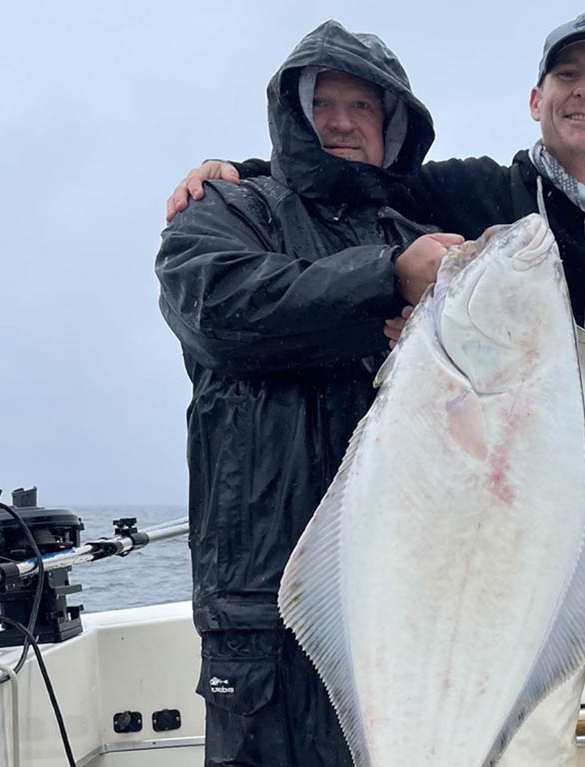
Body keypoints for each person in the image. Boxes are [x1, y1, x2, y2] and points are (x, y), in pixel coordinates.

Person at [166, 12, 585, 767]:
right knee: (524, 722)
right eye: (568, 78)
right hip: (522, 489)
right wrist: (237, 171)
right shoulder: (472, 193)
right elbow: (337, 175)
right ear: (534, 99)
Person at [155, 20, 463, 767]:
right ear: (293, 115)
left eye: (362, 106)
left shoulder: (423, 238)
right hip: (257, 610)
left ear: (392, 127)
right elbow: (221, 309)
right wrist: (385, 281)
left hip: (398, 600)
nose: (339, 120)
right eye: (321, 103)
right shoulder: (228, 210)